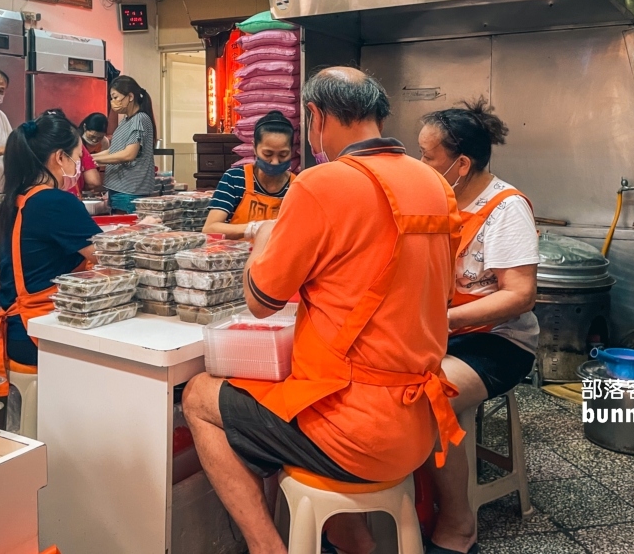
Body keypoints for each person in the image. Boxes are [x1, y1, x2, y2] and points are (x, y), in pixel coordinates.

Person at [182, 68, 463, 554]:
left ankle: (267, 547)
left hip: (351, 431)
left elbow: (262, 302)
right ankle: (356, 545)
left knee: (199, 396)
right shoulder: (435, 184)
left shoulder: (320, 183)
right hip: (419, 424)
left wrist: (262, 242)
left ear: (315, 117)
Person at [417, 100, 539, 554]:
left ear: (460, 164)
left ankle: (457, 523)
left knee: (427, 397)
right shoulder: (436, 202)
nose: (420, 164)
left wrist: (442, 320)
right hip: (441, 333)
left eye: (427, 157)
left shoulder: (506, 209)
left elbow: (520, 295)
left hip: (498, 342)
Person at [0, 111, 101, 392]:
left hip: (19, 328)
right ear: (59, 158)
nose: (78, 166)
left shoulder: (19, 196)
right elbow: (107, 257)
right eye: (77, 158)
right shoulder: (55, 201)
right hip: (39, 332)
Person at [203, 111, 295, 240]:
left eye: (283, 155)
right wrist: (254, 228)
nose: (275, 162)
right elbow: (210, 228)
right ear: (254, 148)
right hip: (237, 258)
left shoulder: (296, 186)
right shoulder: (235, 179)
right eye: (268, 154)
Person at [92, 76, 156, 214]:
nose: (113, 102)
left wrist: (93, 160)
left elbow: (128, 154)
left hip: (130, 191)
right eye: (111, 98)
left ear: (130, 96)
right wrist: (89, 157)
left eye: (115, 97)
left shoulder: (140, 119)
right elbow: (114, 151)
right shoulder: (126, 121)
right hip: (118, 189)